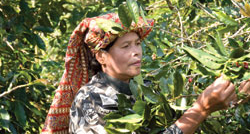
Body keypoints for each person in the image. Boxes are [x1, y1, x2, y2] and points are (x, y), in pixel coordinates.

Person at [42, 13, 250, 134]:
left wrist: (230, 98)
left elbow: (176, 122)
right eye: (125, 46)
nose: (136, 52)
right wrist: (200, 110)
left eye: (138, 44)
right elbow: (189, 118)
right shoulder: (89, 101)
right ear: (101, 57)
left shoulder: (146, 88)